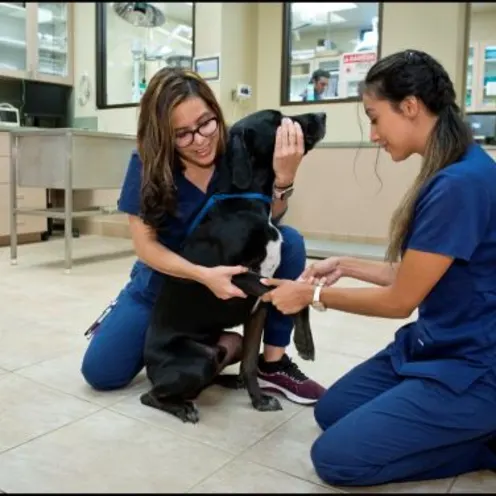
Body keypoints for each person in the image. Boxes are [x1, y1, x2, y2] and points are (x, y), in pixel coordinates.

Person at [262, 49, 496, 487]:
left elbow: (400, 300)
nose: (373, 135)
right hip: (434, 346)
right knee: (332, 410)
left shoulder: (460, 185)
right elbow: (412, 272)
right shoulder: (452, 167)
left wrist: (310, 295)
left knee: (336, 459)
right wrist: (344, 264)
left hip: (475, 367)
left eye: (374, 118)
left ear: (410, 107)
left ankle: (484, 442)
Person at [80, 67, 325, 405]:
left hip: (220, 288)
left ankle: (273, 363)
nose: (200, 140)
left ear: (215, 111)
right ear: (163, 134)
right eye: (182, 134)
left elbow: (269, 220)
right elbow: (145, 246)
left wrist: (284, 179)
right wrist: (201, 275)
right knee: (101, 373)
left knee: (291, 241)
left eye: (206, 123)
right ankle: (221, 345)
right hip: (164, 285)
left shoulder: (237, 147)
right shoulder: (147, 164)